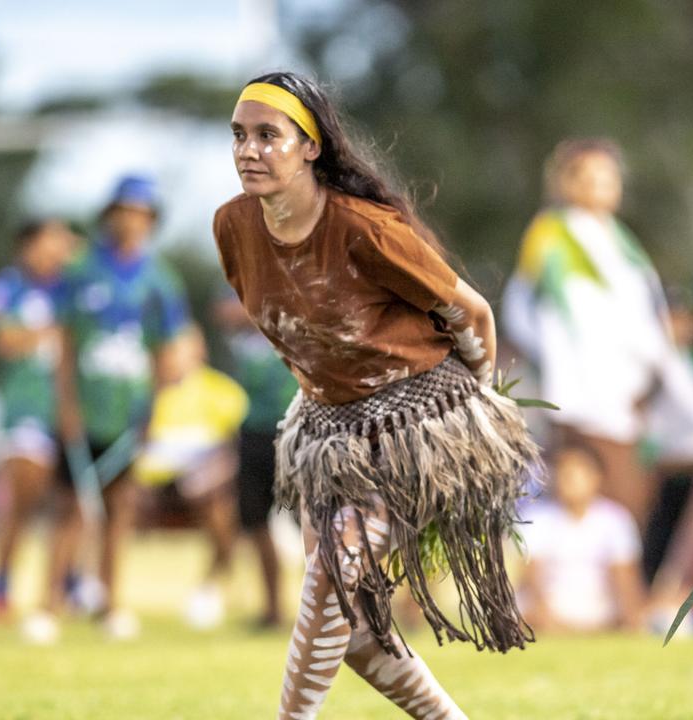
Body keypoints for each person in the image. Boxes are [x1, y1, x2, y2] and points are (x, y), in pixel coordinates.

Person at [214, 72, 539, 719]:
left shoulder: (362, 228)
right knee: (350, 624)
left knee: (331, 575)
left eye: (267, 136)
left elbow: (471, 314)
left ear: (310, 147)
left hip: (417, 425)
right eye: (239, 136)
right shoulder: (233, 227)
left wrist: (471, 414)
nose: (249, 150)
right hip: (330, 433)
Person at [42, 174, 191, 642]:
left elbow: (168, 351)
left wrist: (155, 411)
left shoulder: (160, 280)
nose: (131, 220)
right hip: (84, 409)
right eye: (124, 210)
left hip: (130, 414)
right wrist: (64, 404)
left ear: (150, 219)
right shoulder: (81, 269)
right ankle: (50, 604)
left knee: (119, 509)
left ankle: (111, 602)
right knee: (70, 507)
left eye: (140, 212)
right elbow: (62, 342)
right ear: (111, 215)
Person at [502, 138, 672, 528]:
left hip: (628, 396)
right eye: (588, 175)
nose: (599, 183)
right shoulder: (550, 234)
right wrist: (555, 360)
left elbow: (645, 312)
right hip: (579, 396)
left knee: (630, 506)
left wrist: (650, 370)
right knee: (586, 500)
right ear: (566, 181)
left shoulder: (622, 241)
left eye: (607, 175)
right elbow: (522, 309)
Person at [0, 219, 77, 621]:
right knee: (24, 499)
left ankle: (61, 587)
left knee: (72, 503)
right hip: (25, 409)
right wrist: (50, 333)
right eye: (50, 241)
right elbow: (4, 340)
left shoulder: (75, 288)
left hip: (69, 409)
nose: (58, 250)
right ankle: (2, 578)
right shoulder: (8, 288)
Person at [134, 326, 245, 630]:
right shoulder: (145, 391)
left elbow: (233, 447)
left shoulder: (221, 391)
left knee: (221, 510)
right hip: (151, 485)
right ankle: (92, 590)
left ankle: (209, 588)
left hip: (203, 485)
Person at [215, 290, 298, 629]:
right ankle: (273, 609)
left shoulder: (291, 329)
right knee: (255, 522)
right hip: (252, 437)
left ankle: (341, 610)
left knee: (316, 522)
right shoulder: (236, 345)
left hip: (294, 433)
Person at [519, 445, 645, 633]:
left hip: (599, 607)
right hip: (550, 607)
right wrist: (543, 610)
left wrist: (631, 614)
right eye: (562, 474)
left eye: (574, 474)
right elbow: (530, 573)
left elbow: (624, 575)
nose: (567, 481)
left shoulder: (616, 519)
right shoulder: (536, 517)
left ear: (596, 478)